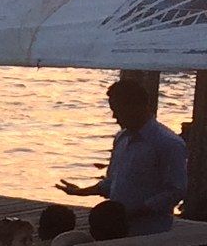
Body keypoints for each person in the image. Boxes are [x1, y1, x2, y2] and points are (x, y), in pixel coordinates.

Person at [60, 76, 187, 236]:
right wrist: (81, 192)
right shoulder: (121, 138)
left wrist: (137, 210)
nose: (114, 117)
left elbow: (176, 191)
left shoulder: (168, 143)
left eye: (118, 110)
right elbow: (113, 182)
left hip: (150, 230)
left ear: (137, 107)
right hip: (116, 228)